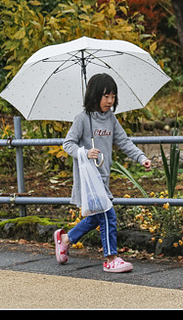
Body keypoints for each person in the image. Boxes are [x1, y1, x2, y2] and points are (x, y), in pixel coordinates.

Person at [54, 73, 152, 273]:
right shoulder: (82, 119)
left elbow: (124, 141)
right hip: (88, 180)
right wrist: (84, 152)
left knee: (95, 218)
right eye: (106, 96)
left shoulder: (111, 120)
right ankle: (111, 258)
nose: (110, 101)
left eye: (113, 97)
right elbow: (68, 144)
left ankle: (65, 239)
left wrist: (141, 157)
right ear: (94, 95)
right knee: (108, 216)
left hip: (103, 177)